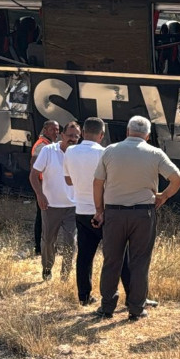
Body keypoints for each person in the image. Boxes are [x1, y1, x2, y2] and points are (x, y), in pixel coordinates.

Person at [92, 116, 180, 321]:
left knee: (111, 260)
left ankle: (107, 307)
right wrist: (163, 196)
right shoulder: (155, 153)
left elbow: (98, 183)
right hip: (143, 213)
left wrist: (99, 210)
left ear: (127, 131)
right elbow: (177, 179)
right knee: (140, 261)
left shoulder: (110, 150)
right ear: (148, 136)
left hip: (114, 213)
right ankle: (136, 308)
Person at [64, 117, 132, 305]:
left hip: (81, 209)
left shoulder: (70, 151)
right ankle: (130, 294)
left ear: (83, 132)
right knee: (119, 254)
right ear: (101, 135)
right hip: (104, 210)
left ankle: (84, 296)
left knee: (85, 256)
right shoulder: (105, 153)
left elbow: (68, 180)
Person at [30, 122, 80, 281]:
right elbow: (33, 175)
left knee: (71, 242)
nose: (73, 139)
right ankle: (47, 269)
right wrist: (40, 195)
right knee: (48, 241)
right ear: (62, 135)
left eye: (76, 136)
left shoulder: (79, 153)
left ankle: (65, 276)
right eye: (70, 135)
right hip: (51, 206)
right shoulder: (48, 150)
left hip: (72, 206)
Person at [31, 120, 61, 256]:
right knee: (42, 217)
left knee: (47, 217)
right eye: (53, 129)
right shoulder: (41, 146)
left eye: (57, 129)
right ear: (45, 130)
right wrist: (39, 193)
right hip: (43, 186)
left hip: (48, 184)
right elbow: (34, 170)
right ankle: (39, 248)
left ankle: (47, 247)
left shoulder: (50, 144)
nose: (56, 132)